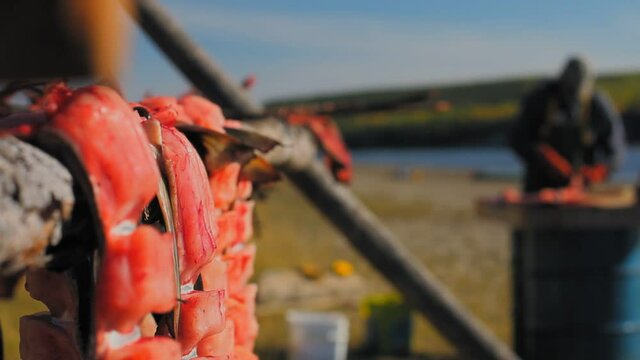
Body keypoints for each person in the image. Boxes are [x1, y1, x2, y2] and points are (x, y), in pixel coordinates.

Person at [509, 56, 626, 192]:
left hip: (581, 188)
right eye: (570, 89)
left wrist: (601, 170)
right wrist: (543, 156)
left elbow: (615, 147)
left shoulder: (598, 105)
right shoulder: (540, 99)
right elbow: (517, 138)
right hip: (540, 187)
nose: (573, 95)